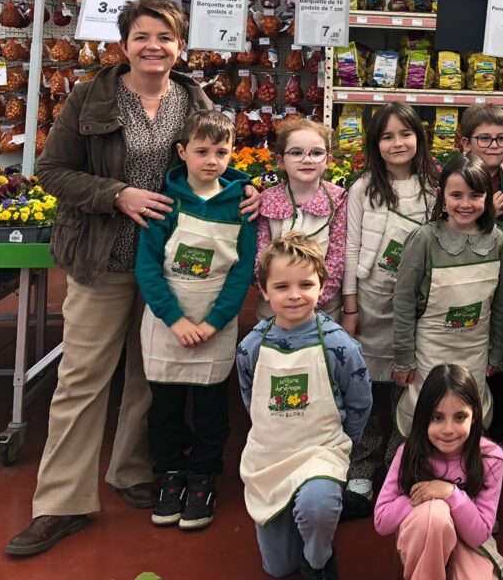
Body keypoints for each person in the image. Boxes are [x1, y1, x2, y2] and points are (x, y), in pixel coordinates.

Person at [7, 0, 259, 558]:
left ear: (180, 46)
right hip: (101, 258)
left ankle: (131, 469)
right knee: (83, 377)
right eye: (142, 36)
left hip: (171, 268)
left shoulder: (194, 99)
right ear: (124, 44)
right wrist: (116, 194)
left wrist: (247, 191)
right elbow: (51, 170)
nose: (153, 47)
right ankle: (60, 503)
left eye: (165, 37)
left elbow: (212, 163)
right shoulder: (90, 96)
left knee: (152, 374)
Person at [136, 109, 257, 531]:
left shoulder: (240, 206)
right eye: (201, 151)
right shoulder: (165, 203)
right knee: (164, 409)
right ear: (181, 151)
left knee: (211, 410)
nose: (211, 160)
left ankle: (203, 477)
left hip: (214, 324)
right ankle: (170, 475)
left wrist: (214, 322)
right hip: (167, 323)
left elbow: (241, 272)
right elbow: (148, 268)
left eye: (221, 152)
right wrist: (175, 319)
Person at [238, 232, 372, 580]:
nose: (295, 295)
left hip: (319, 452)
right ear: (264, 291)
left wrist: (341, 448)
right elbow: (252, 399)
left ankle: (319, 557)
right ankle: (314, 510)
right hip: (271, 458)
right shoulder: (251, 347)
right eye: (282, 286)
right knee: (279, 568)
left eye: (306, 284)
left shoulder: (340, 345)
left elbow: (360, 402)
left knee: (317, 507)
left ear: (322, 287)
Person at [342, 102, 438, 510]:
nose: (397, 143)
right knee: (366, 389)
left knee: (407, 389)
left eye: (405, 134)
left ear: (420, 138)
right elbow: (351, 248)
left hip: (414, 308)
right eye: (387, 136)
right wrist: (350, 306)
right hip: (370, 303)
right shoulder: (363, 188)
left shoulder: (433, 189)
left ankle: (399, 466)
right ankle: (362, 465)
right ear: (374, 143)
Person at [392, 156, 503, 440]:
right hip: (429, 350)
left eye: (475, 195)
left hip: (475, 350)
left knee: (469, 416)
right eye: (456, 195)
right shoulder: (424, 240)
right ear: (442, 197)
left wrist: (497, 351)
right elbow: (404, 301)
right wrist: (403, 358)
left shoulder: (500, 242)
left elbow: (501, 304)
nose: (465, 204)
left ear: (488, 197)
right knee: (428, 414)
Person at [374, 364, 503, 580]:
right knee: (435, 514)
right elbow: (382, 521)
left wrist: (450, 493)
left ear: (474, 416)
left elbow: (479, 535)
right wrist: (425, 495)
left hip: (469, 542)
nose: (448, 430)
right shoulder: (409, 452)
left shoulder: (490, 457)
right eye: (437, 417)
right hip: (423, 533)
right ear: (424, 416)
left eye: (459, 417)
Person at [256, 118, 347, 322]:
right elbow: (259, 257)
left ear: (328, 159)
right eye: (296, 153)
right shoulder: (267, 200)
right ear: (281, 160)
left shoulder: (338, 200)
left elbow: (337, 258)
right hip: (273, 310)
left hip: (321, 310)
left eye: (316, 153)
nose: (307, 160)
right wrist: (275, 295)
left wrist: (314, 297)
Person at [458, 104, 503, 237]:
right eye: (484, 138)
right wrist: (488, 216)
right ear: (467, 144)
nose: (494, 145)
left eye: (501, 138)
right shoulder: (455, 182)